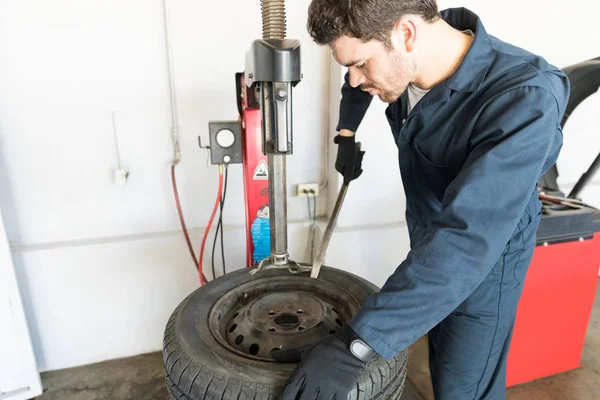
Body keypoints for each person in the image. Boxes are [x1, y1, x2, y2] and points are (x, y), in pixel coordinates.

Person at [274, 1, 571, 399]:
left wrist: (355, 346)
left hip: (484, 258)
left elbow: (467, 241)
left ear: (406, 34)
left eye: (361, 64)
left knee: (462, 385)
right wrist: (346, 132)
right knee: (434, 334)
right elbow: (355, 82)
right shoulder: (407, 54)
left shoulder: (524, 99)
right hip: (431, 232)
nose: (355, 78)